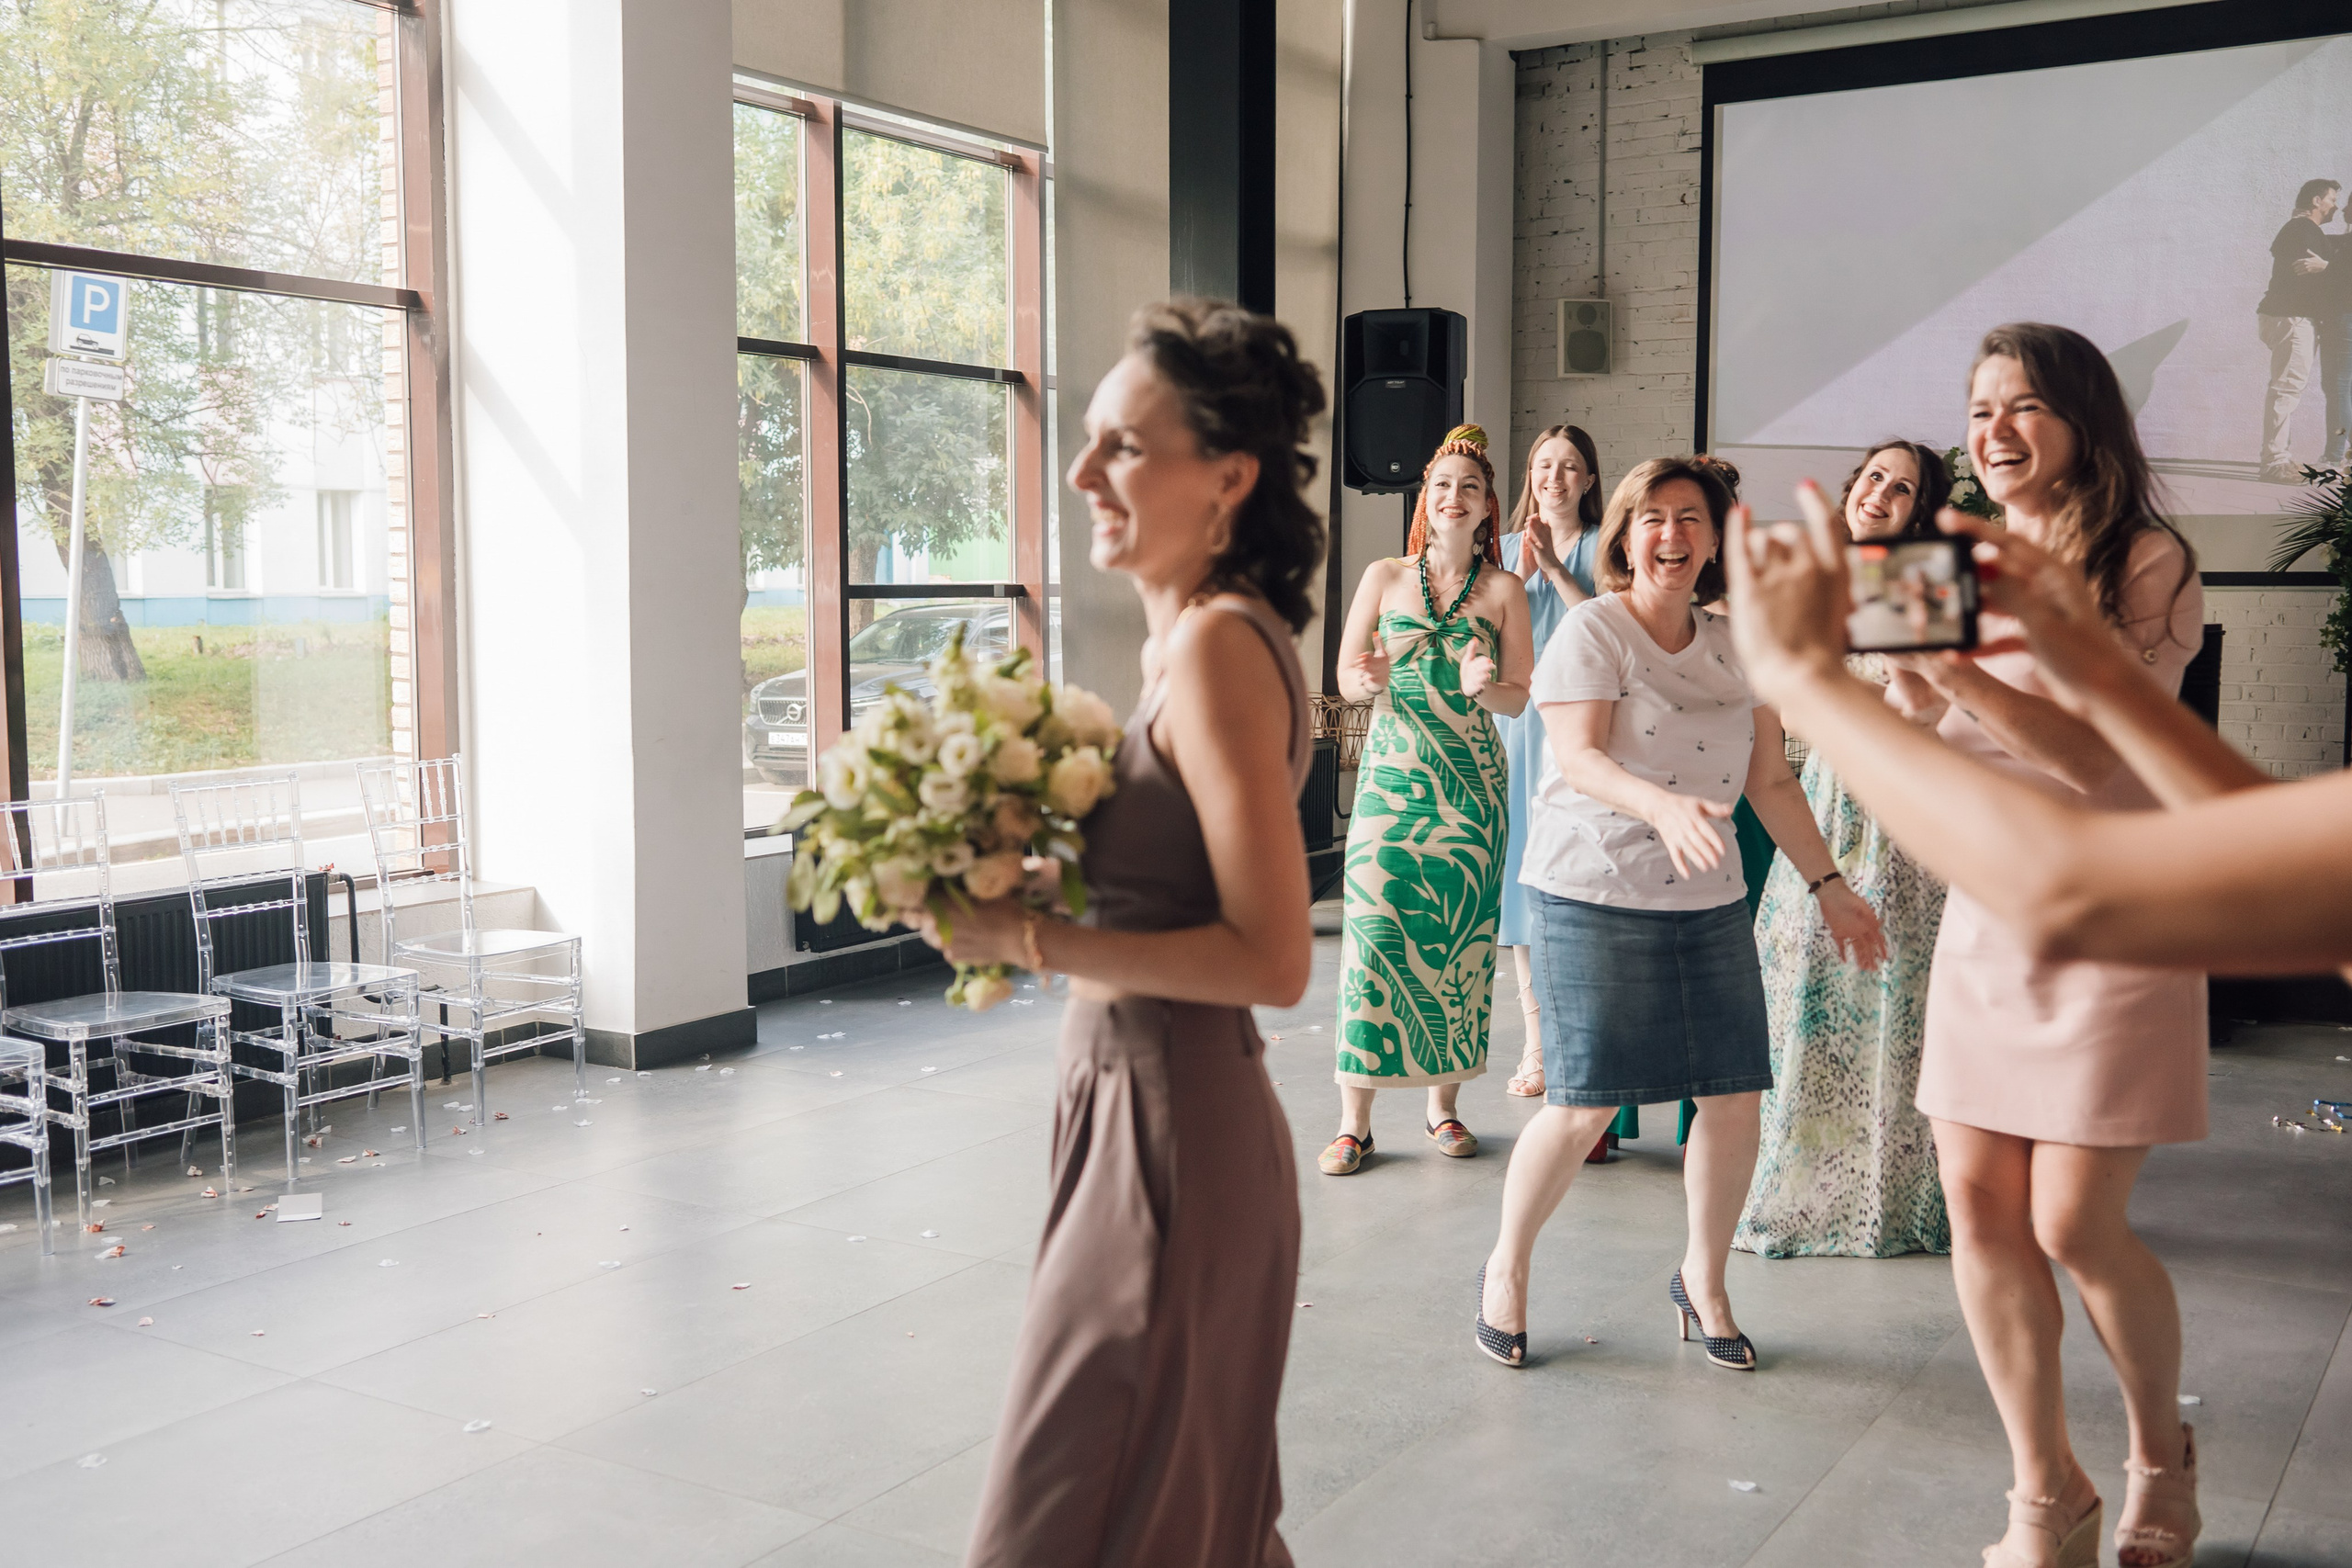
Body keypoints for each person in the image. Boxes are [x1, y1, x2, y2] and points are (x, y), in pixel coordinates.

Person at [1732, 321, 2208, 1568]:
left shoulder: (2146, 560)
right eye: (1978, 408)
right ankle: (2044, 1488)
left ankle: (2160, 1452)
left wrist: (1950, 670)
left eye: (2023, 406)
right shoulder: (1938, 556)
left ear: (2084, 419)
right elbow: (1912, 748)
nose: (1993, 431)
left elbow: (2100, 755)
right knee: (1981, 1209)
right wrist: (1859, 665)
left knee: (2072, 1221)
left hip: (2119, 906)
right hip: (1994, 915)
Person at [920, 297, 1324, 1568]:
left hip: (1171, 1134)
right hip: (1125, 1115)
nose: (1085, 472)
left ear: (1228, 478)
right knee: (1179, 1509)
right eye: (1090, 441)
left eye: (1124, 447)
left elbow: (1273, 956)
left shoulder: (1212, 650)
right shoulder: (1187, 645)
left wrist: (1030, 939)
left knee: (1072, 1517)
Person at [1473, 457, 1885, 1374]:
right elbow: (1577, 759)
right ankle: (1504, 1267)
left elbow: (1771, 779)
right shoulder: (1593, 629)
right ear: (1624, 535)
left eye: (1690, 517)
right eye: (1652, 517)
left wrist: (1830, 887)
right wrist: (1659, 806)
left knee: (1731, 1100)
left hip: (1706, 898)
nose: (1671, 533)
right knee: (1582, 1109)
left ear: (1714, 538)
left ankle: (1702, 1281)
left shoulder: (1741, 643)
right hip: (1591, 890)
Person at [1736, 440, 1954, 1261]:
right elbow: (1787, 714)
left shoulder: (1923, 580)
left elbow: (1924, 707)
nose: (1882, 495)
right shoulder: (1814, 576)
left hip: (1906, 811)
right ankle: (1807, 1191)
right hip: (1822, 804)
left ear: (1918, 510)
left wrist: (1831, 682)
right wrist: (1843, 689)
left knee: (1898, 998)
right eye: (1874, 479)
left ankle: (1896, 1197)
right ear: (1852, 486)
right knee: (1810, 993)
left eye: (1902, 490)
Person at [1323, 424, 1533, 1174]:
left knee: (1460, 948)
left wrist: (1490, 685)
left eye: (1469, 488)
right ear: (1425, 499)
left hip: (1472, 792)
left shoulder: (1504, 591)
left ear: (1488, 508)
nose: (1453, 496)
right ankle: (1356, 1121)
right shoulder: (1383, 577)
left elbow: (1520, 698)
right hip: (1389, 785)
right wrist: (1365, 680)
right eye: (1442, 485)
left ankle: (1444, 1107)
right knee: (1375, 940)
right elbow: (1347, 672)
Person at [1495, 424, 1600, 1107]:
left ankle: (1577, 1041)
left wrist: (1554, 573)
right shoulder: (1502, 553)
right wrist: (1517, 578)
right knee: (1521, 888)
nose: (1554, 477)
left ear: (1590, 480)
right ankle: (1536, 1046)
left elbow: (1603, 622)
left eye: (1568, 467)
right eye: (1543, 465)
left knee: (1579, 883)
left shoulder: (1605, 548)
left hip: (1584, 730)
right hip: (1515, 729)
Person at [2256, 177, 2337, 483]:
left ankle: (2278, 458)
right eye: (2331, 199)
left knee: (2284, 388)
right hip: (2292, 319)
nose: (2336, 206)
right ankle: (2275, 463)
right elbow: (2315, 279)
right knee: (2285, 389)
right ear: (2316, 201)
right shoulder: (2302, 230)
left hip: (2288, 318)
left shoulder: (2302, 230)